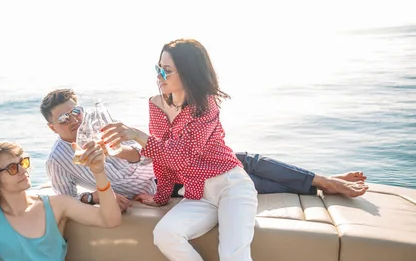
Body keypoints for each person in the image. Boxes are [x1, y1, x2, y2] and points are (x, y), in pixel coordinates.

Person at [101, 39, 274, 261]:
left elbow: (182, 156)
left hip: (232, 186)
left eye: (166, 69)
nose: (159, 75)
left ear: (188, 72)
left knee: (233, 257)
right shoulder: (156, 105)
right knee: (165, 234)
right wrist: (158, 196)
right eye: (158, 67)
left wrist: (138, 136)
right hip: (198, 194)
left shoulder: (206, 106)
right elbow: (163, 160)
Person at [40, 89, 367, 210]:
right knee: (243, 179)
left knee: (244, 160)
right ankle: (320, 184)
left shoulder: (100, 127)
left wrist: (117, 148)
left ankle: (321, 180)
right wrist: (92, 197)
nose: (73, 119)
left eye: (75, 110)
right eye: (63, 117)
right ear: (51, 127)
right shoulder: (58, 159)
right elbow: (62, 198)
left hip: (168, 163)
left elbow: (139, 153)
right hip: (163, 185)